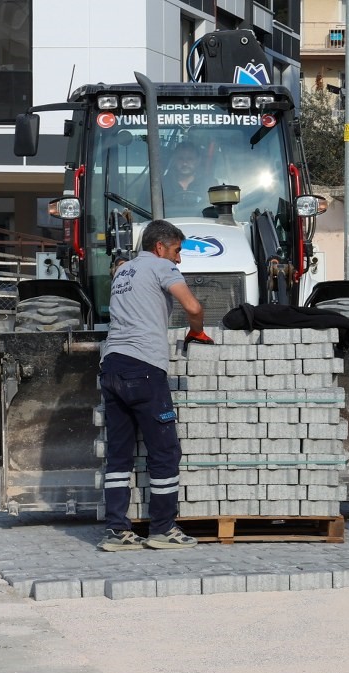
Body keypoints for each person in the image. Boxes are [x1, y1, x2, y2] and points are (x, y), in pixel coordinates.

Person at [98, 219, 209, 552]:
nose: (179, 259)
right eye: (176, 251)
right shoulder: (162, 268)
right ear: (160, 247)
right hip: (144, 367)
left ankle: (117, 532)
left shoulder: (124, 272)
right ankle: (162, 529)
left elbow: (120, 267)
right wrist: (196, 331)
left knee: (119, 455)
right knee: (164, 453)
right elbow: (193, 307)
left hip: (111, 366)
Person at [163, 141, 209, 214]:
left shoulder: (209, 185)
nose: (185, 163)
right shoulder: (160, 185)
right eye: (181, 159)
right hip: (167, 224)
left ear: (198, 161)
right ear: (174, 160)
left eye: (190, 159)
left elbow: (218, 212)